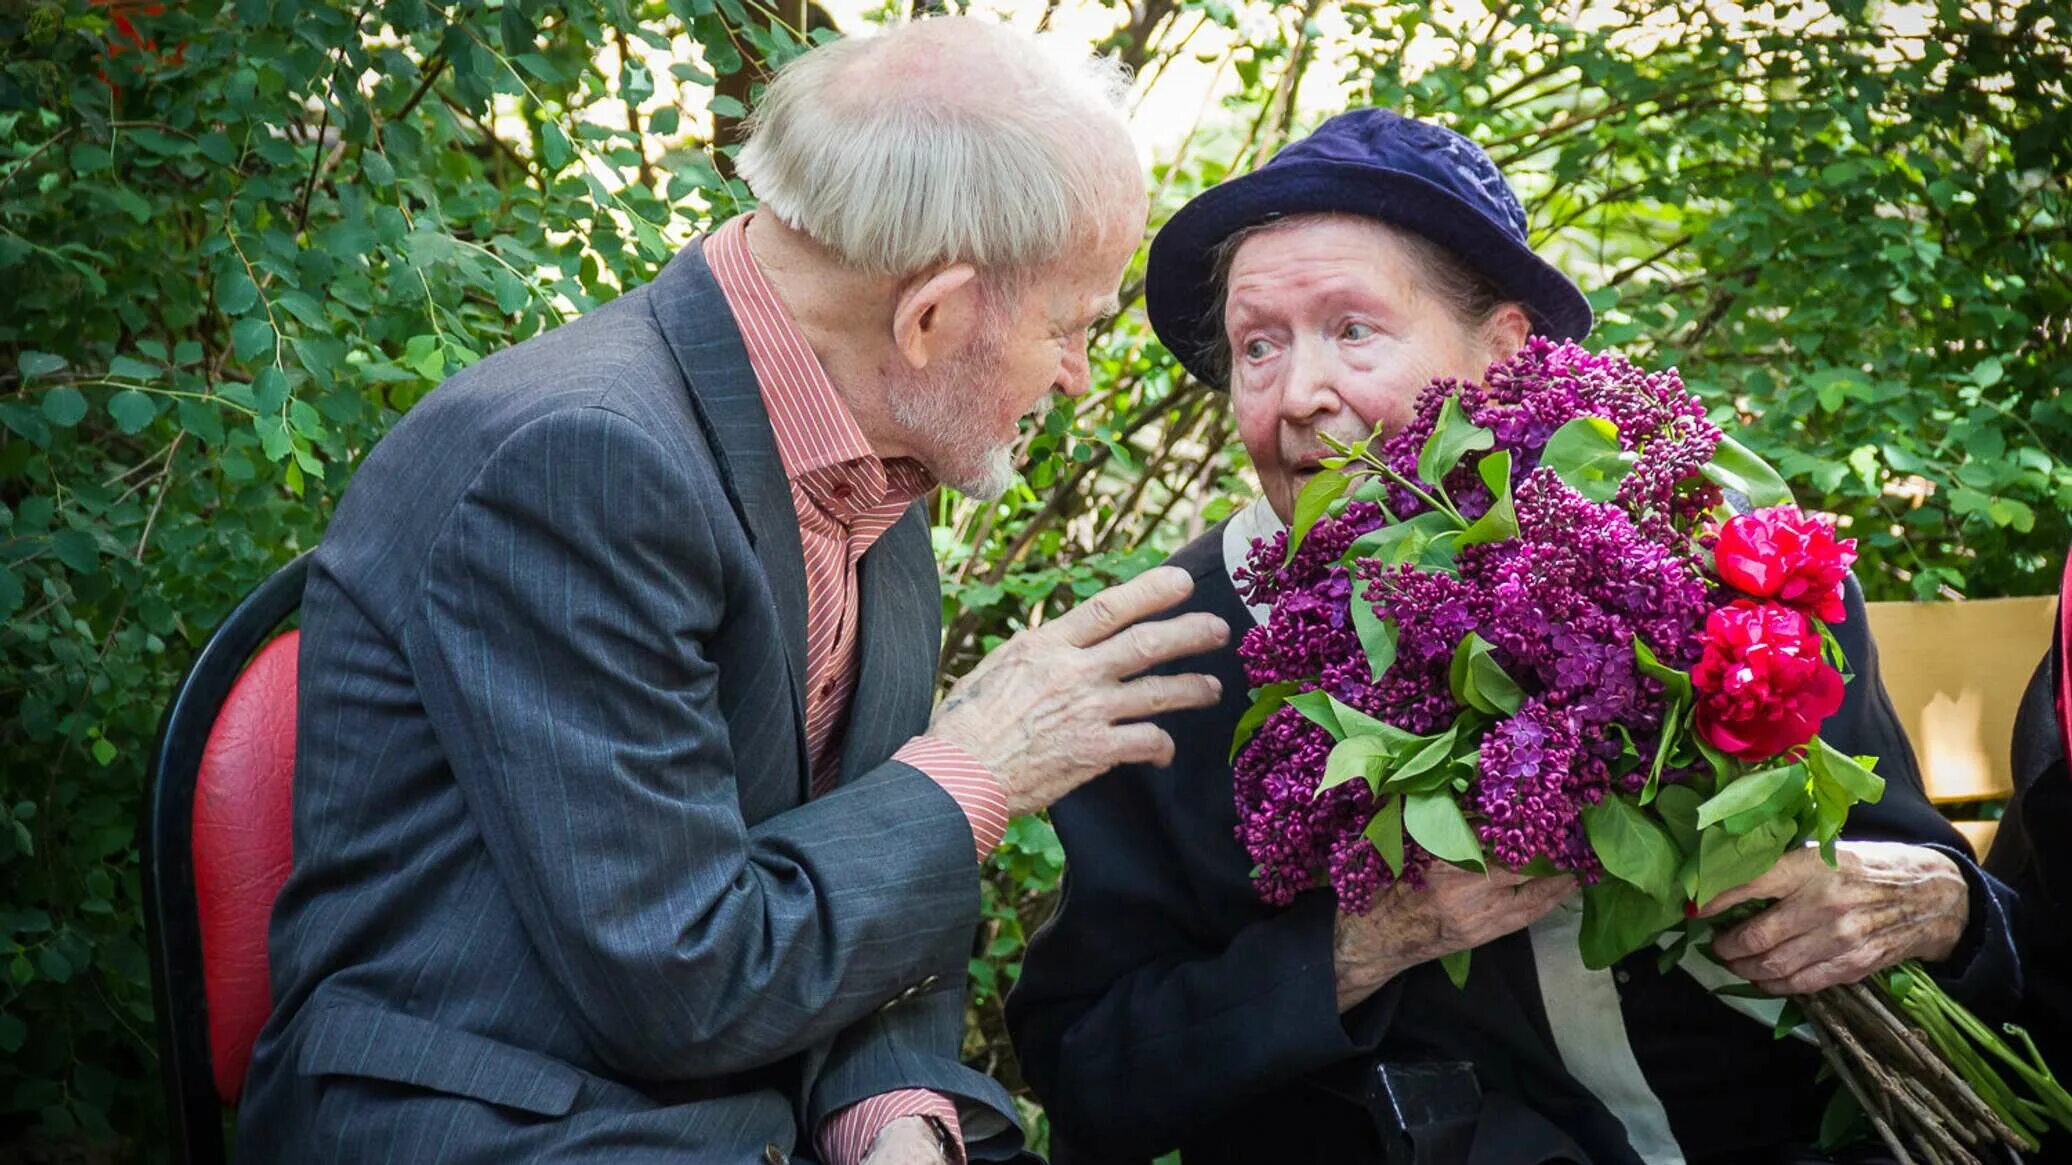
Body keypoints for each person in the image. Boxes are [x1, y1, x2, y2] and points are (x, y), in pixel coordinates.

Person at [235, 17, 1233, 1165]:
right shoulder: (576, 464)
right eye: (1068, 327)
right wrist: (981, 767)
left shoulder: (880, 470)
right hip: (501, 1117)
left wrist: (890, 1116)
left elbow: (852, 878)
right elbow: (678, 976)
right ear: (933, 316)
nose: (1076, 372)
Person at [1006, 108, 2021, 1165]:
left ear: (1505, 351)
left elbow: (1934, 897)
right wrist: (1372, 939)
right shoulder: (1179, 651)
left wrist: (1927, 905)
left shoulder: (1707, 558)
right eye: (1258, 346)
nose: (1300, 395)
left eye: (1352, 330)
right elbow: (1091, 1070)